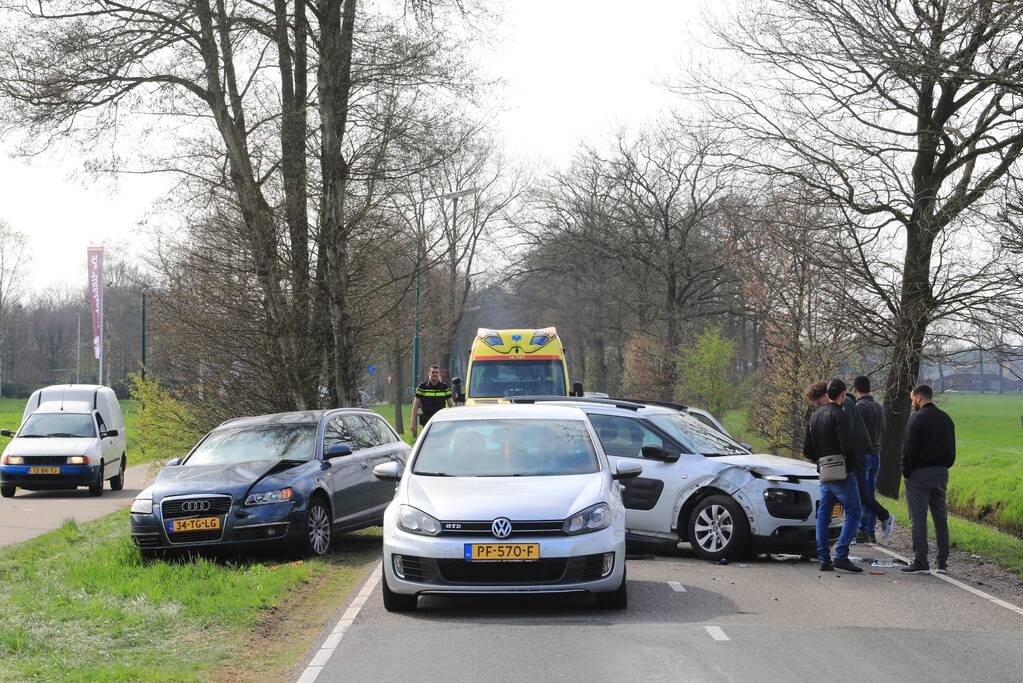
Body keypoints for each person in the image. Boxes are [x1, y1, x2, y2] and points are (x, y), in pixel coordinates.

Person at [803, 378, 863, 573]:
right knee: (854, 511)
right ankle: (841, 554)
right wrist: (850, 466)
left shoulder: (815, 417)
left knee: (823, 515)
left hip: (824, 471)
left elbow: (807, 450)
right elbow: (847, 445)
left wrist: (821, 460)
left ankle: (824, 557)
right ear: (843, 394)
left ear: (828, 394)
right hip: (841, 471)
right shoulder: (840, 415)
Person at [901, 384, 956, 574]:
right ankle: (942, 562)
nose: (912, 403)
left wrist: (906, 471)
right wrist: (944, 466)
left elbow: (909, 449)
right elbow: (951, 450)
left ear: (918, 397)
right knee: (940, 517)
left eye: (912, 399)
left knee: (918, 518)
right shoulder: (946, 419)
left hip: (919, 474)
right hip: (941, 473)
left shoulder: (916, 418)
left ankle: (921, 560)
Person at [850, 375, 894, 543]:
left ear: (856, 389)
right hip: (876, 454)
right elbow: (882, 428)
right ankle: (869, 530)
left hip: (863, 455)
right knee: (870, 493)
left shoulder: (858, 408)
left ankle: (863, 529)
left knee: (861, 494)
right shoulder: (879, 407)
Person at [410, 365, 453, 437]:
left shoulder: (445, 388)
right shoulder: (422, 387)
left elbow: (451, 406)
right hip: (427, 421)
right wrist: (413, 422)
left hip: (441, 421)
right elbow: (415, 405)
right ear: (429, 373)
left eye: (437, 372)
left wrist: (452, 421)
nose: (435, 374)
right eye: (433, 372)